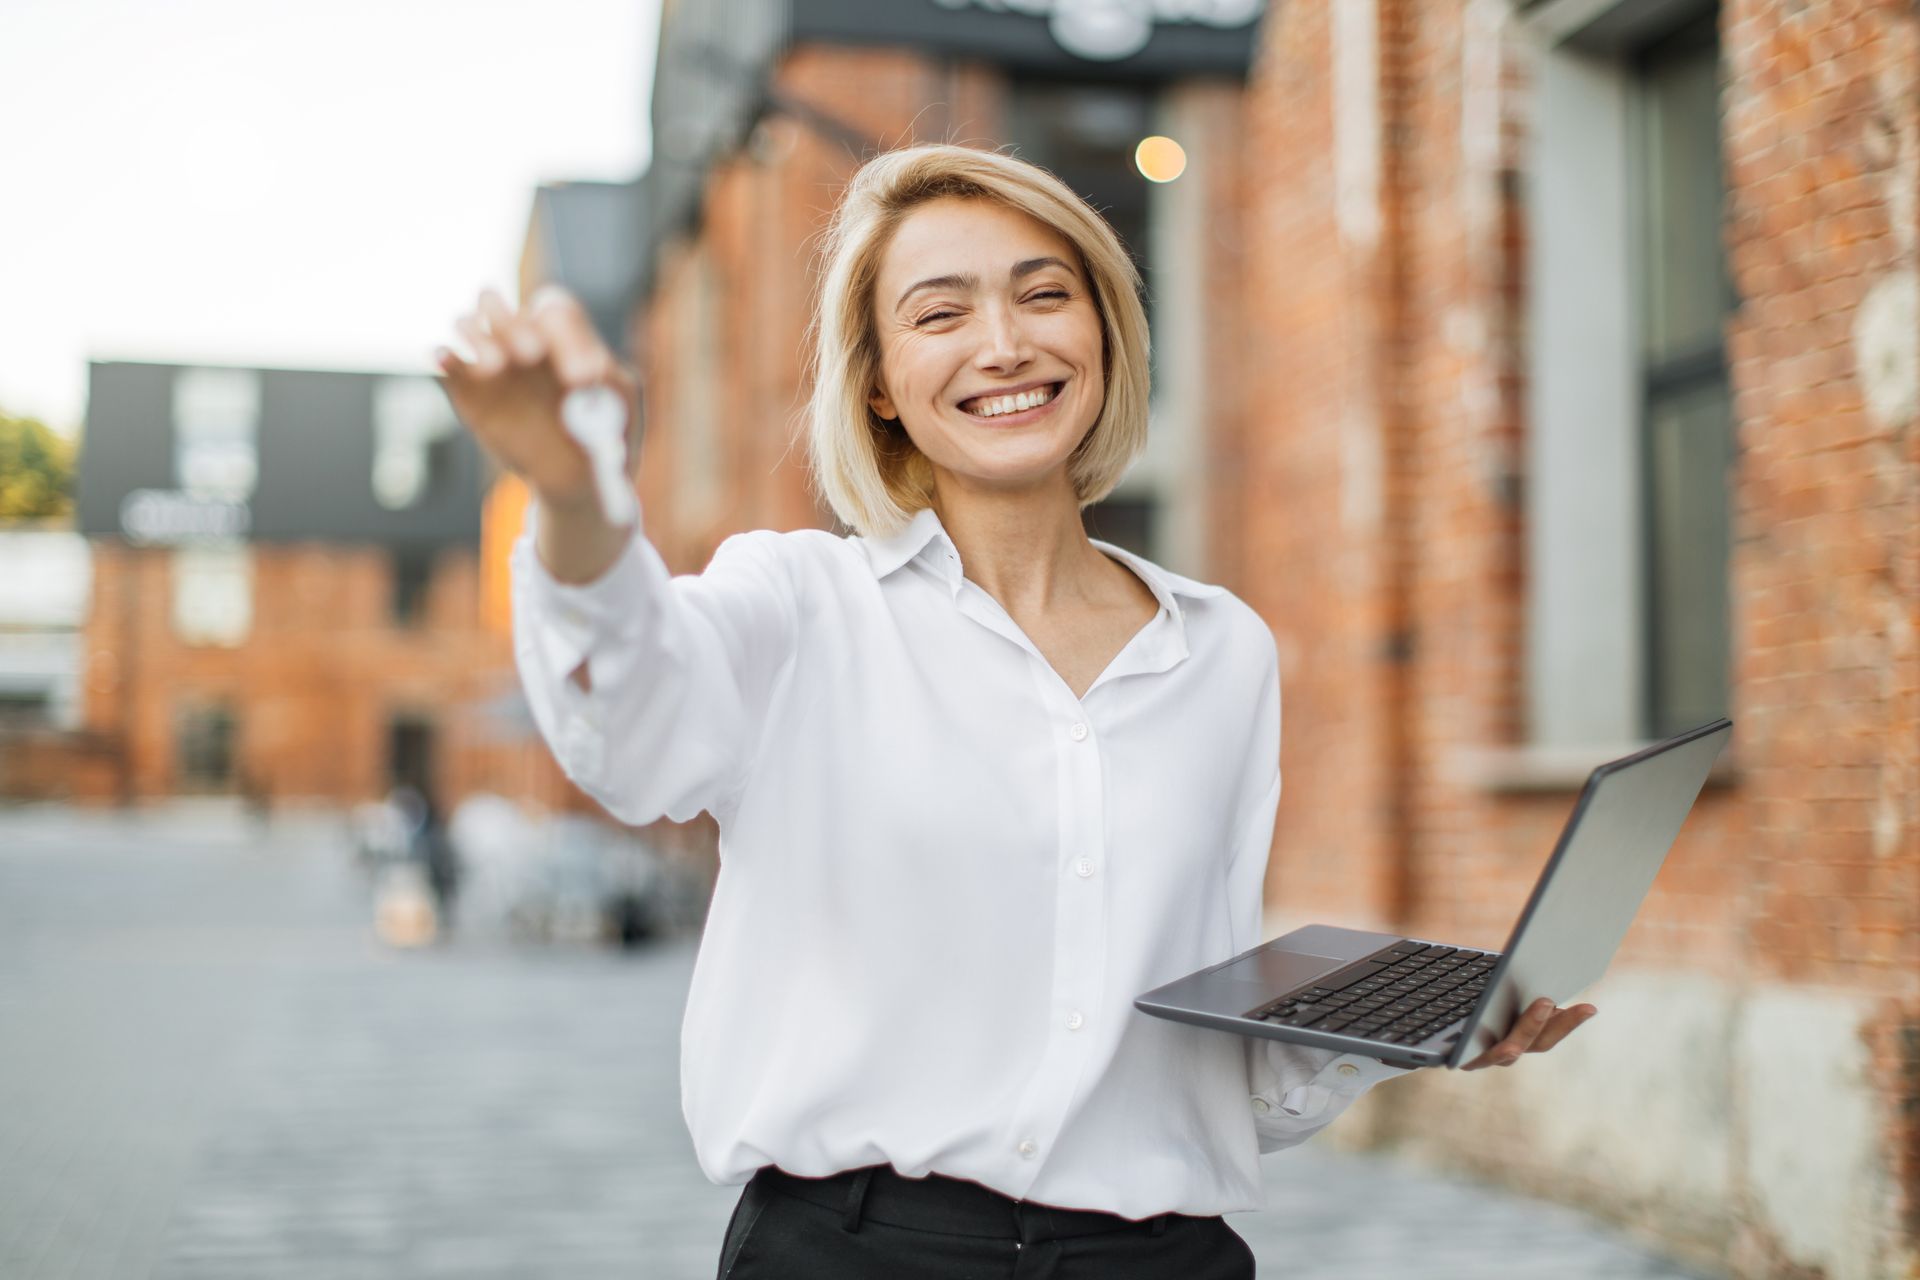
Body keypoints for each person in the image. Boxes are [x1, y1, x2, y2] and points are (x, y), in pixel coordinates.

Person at [435, 144, 1596, 1279]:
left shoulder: (1223, 650)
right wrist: (575, 490)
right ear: (880, 381)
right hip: (858, 1252)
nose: (1006, 343)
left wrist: (1405, 1025)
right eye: (940, 314)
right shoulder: (801, 604)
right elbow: (629, 727)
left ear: (1103, 332)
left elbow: (1190, 1059)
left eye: (1046, 295)